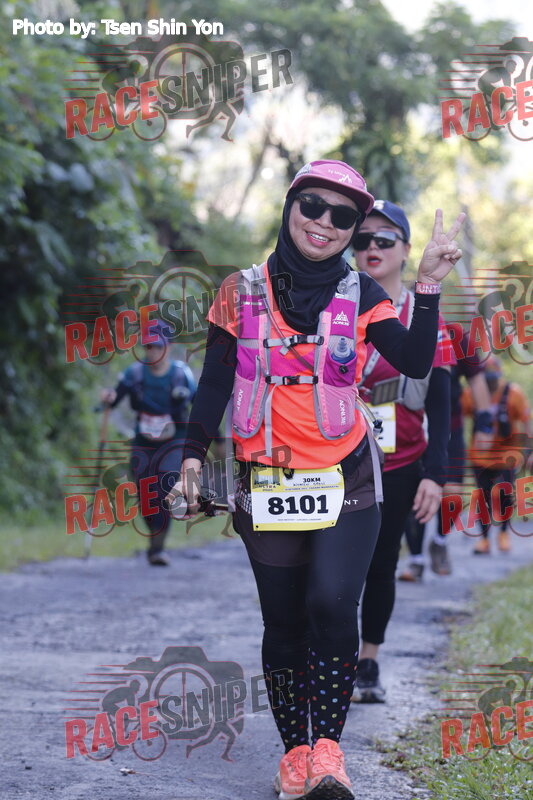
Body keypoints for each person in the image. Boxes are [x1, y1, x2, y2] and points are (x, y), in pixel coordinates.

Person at [166, 160, 464, 800]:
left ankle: (329, 752)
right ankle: (294, 754)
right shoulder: (238, 291)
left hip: (347, 475)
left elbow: (416, 359)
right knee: (283, 620)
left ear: (353, 229)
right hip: (266, 479)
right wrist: (191, 457)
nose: (324, 222)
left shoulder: (363, 293)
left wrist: (428, 285)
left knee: (332, 603)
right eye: (313, 207)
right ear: (290, 207)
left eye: (343, 216)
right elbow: (215, 382)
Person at [350, 200, 452, 703]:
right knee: (329, 566)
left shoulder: (427, 317)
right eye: (362, 239)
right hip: (335, 463)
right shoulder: (333, 306)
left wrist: (436, 474)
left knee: (381, 562)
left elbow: (443, 403)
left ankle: (368, 660)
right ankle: (327, 659)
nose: (372, 247)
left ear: (407, 249)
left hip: (400, 462)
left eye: (385, 239)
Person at [399, 329, 493, 580]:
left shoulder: (456, 336)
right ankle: (416, 560)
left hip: (449, 427)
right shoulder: (397, 328)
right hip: (410, 426)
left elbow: (477, 380)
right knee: (413, 493)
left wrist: (484, 424)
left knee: (452, 492)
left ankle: (439, 541)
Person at [101, 322, 196, 565]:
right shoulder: (134, 374)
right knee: (145, 495)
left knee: (165, 487)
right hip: (144, 442)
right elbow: (115, 398)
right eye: (148, 346)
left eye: (158, 347)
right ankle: (155, 537)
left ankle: (157, 548)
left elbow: (202, 407)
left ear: (169, 347)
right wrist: (109, 397)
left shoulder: (181, 375)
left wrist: (214, 440)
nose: (153, 352)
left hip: (174, 442)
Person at [462, 354, 531, 554]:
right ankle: (484, 539)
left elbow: (526, 421)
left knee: (505, 495)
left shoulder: (513, 394)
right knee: (482, 497)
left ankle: (503, 534)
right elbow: (458, 417)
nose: (490, 385)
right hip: (480, 455)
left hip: (507, 455)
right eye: (486, 381)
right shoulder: (470, 394)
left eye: (493, 381)